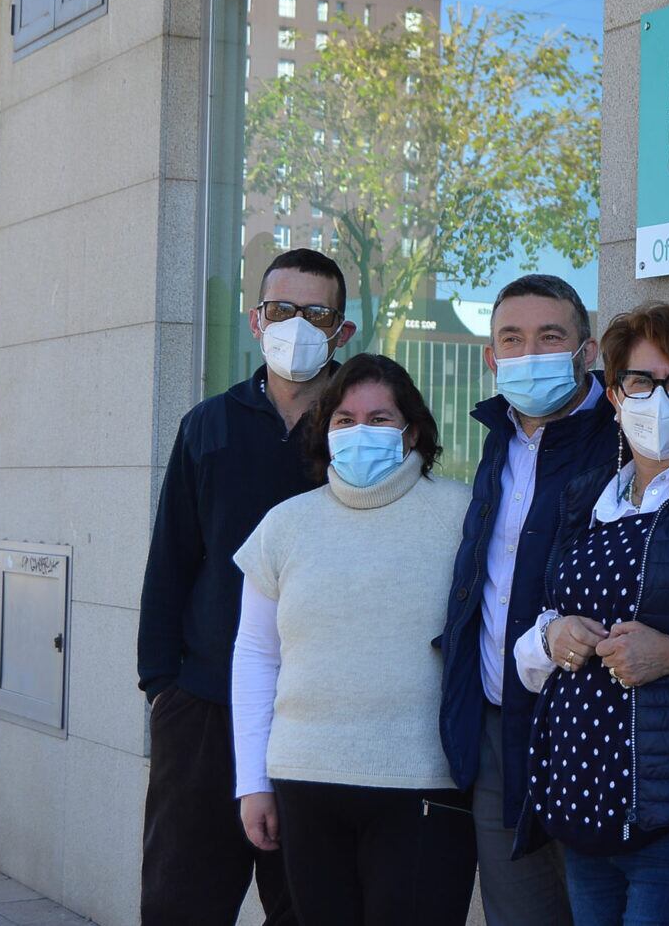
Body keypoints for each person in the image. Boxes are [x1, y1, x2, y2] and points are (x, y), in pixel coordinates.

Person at [136, 248, 354, 926]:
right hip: (204, 708)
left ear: (342, 331)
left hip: (319, 713)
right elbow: (171, 562)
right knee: (182, 901)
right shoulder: (210, 425)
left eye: (315, 312)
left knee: (308, 906)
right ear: (257, 321)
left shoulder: (367, 430)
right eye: (281, 309)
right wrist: (162, 686)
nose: (296, 325)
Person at [230, 354, 474, 925]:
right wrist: (252, 783)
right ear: (326, 430)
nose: (361, 431)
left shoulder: (463, 515)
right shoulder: (284, 525)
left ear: (412, 430)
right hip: (305, 784)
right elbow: (256, 657)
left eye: (380, 419)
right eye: (345, 419)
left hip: (424, 787)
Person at [512, 302, 669, 926]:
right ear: (614, 395)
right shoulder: (587, 498)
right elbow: (533, 635)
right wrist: (551, 635)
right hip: (582, 806)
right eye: (641, 382)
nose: (657, 399)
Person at [439, 274, 619, 925]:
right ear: (490, 357)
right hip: (496, 732)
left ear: (587, 350)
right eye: (511, 338)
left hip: (590, 733)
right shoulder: (498, 442)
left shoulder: (626, 439)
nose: (529, 352)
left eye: (550, 336)